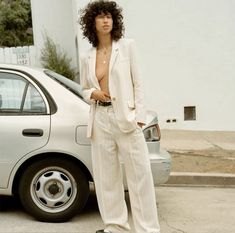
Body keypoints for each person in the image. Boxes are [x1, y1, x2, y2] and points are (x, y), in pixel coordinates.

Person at [79, 1, 160, 232]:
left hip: (126, 118)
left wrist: (139, 117)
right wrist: (91, 93)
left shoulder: (127, 47)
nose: (106, 21)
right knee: (107, 179)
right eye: (101, 17)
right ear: (92, 22)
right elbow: (84, 88)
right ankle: (115, 226)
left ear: (115, 21)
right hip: (100, 119)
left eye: (109, 17)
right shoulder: (87, 56)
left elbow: (139, 82)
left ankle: (147, 229)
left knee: (140, 176)